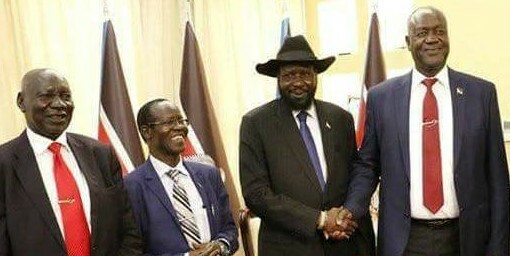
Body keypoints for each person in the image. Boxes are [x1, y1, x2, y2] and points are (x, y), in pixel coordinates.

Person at [344, 6, 510, 256]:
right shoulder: (382, 98)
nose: (432, 39)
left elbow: (498, 179)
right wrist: (350, 209)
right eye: (422, 33)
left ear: (448, 38)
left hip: (467, 239)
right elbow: (368, 165)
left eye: (439, 31)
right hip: (406, 240)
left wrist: (499, 245)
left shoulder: (481, 94)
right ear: (408, 42)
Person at [239, 35, 375, 256]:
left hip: (346, 245)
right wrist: (320, 220)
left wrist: (345, 216)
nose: (298, 82)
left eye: (305, 74)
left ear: (316, 76)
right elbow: (256, 194)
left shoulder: (340, 118)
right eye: (289, 76)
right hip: (290, 247)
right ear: (278, 79)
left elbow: (357, 172)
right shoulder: (256, 124)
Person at [0, 68, 143, 255]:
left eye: (66, 96)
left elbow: (128, 229)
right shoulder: (5, 163)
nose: (59, 104)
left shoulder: (100, 154)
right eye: (47, 96)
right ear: (21, 102)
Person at [125, 99, 238, 256]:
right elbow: (131, 251)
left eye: (181, 121)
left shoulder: (209, 175)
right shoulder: (131, 186)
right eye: (169, 122)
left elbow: (229, 228)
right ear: (147, 132)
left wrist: (220, 245)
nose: (179, 127)